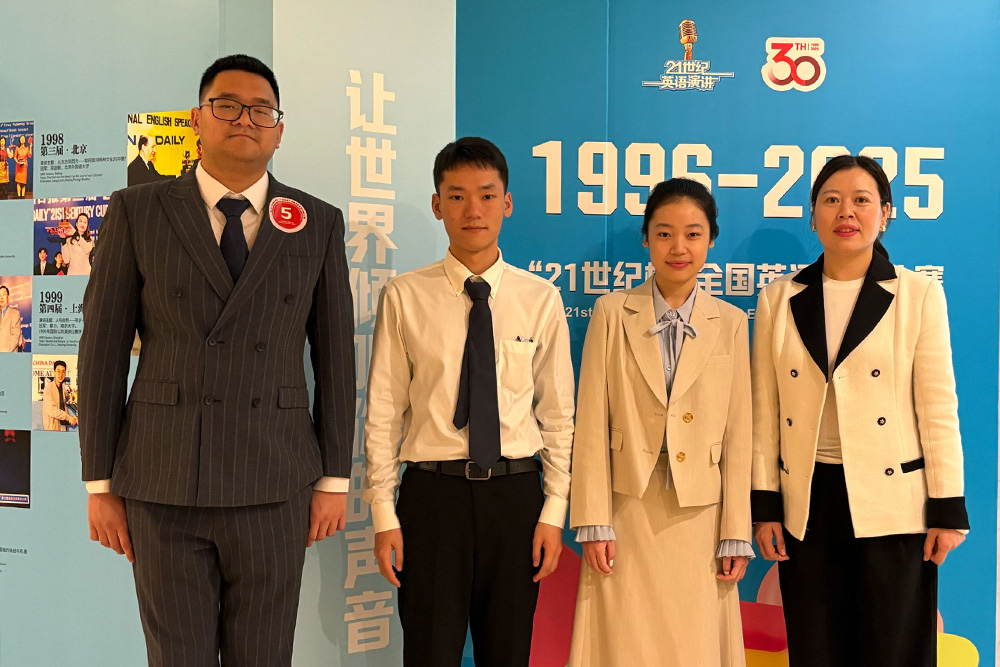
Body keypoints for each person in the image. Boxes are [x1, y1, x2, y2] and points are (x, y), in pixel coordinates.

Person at [78, 54, 355, 667]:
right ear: (197, 119)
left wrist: (334, 478)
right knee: (176, 655)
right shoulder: (137, 210)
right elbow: (100, 352)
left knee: (265, 654)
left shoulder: (316, 222)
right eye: (227, 105)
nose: (245, 120)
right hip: (163, 477)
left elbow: (336, 358)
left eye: (262, 110)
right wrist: (99, 482)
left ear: (279, 129)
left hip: (274, 479)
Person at [364, 137, 574, 667]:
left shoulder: (540, 298)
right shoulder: (405, 296)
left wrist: (553, 511)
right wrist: (384, 513)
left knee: (508, 652)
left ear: (507, 203)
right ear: (438, 205)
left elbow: (557, 415)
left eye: (486, 194)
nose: (473, 210)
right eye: (457, 196)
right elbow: (384, 412)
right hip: (432, 499)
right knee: (429, 652)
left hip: (516, 497)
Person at [751, 155, 969, 667]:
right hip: (808, 501)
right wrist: (765, 504)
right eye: (831, 200)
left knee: (894, 648)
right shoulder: (779, 298)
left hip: (893, 502)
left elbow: (938, 407)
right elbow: (765, 412)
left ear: (885, 212)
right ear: (813, 216)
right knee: (816, 647)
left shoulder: (917, 294)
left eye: (861, 200)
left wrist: (947, 508)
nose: (845, 212)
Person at [568, 178, 751, 666]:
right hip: (626, 505)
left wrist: (736, 528)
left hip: (701, 513)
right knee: (623, 640)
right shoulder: (612, 312)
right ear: (645, 239)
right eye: (664, 233)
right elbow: (591, 421)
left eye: (693, 234)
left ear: (711, 240)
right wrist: (592, 520)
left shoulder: (731, 322)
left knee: (694, 643)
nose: (678, 247)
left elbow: (740, 432)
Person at [43, 360, 77, 430]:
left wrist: (73, 419)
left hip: (63, 427)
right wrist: (69, 418)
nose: (61, 374)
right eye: (58, 371)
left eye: (63, 372)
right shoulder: (48, 388)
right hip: (52, 429)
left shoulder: (64, 389)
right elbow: (51, 410)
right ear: (54, 373)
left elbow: (67, 406)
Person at [0, 285, 24, 352]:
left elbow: (15, 337)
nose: (1, 297)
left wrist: (3, 352)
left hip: (9, 353)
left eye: (3, 294)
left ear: (8, 296)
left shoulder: (15, 313)